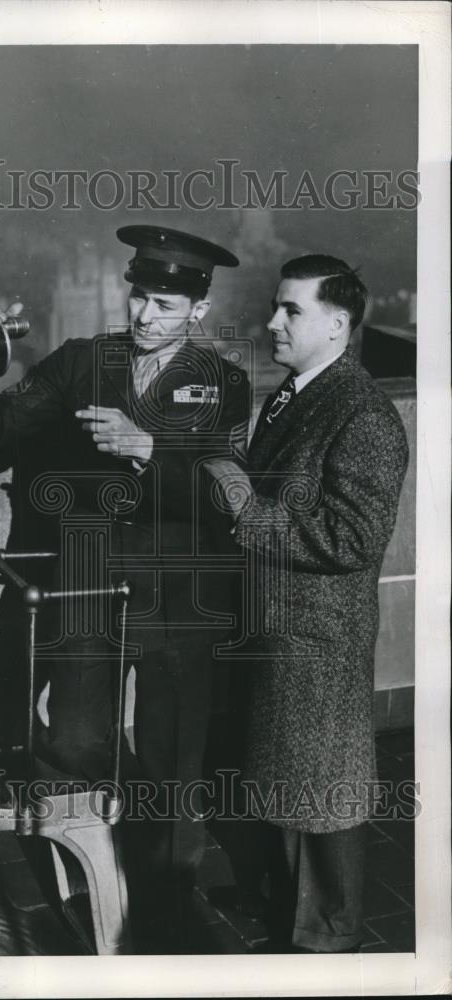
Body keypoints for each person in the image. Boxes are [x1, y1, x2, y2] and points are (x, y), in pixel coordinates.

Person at [0, 226, 250, 948]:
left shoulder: (225, 384)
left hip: (180, 608)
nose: (145, 315)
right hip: (83, 596)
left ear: (198, 313)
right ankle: (87, 899)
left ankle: (170, 911)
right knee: (78, 749)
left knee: (171, 765)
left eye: (165, 303)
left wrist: (150, 449)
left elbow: (226, 498)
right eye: (140, 296)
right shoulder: (79, 363)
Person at [205, 254, 409, 953]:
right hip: (285, 625)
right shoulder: (297, 393)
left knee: (324, 792)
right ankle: (292, 915)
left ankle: (328, 939)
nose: (273, 322)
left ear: (339, 324)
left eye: (291, 310)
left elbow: (353, 538)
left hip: (319, 634)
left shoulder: (365, 415)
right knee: (293, 781)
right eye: (275, 306)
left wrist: (243, 506)